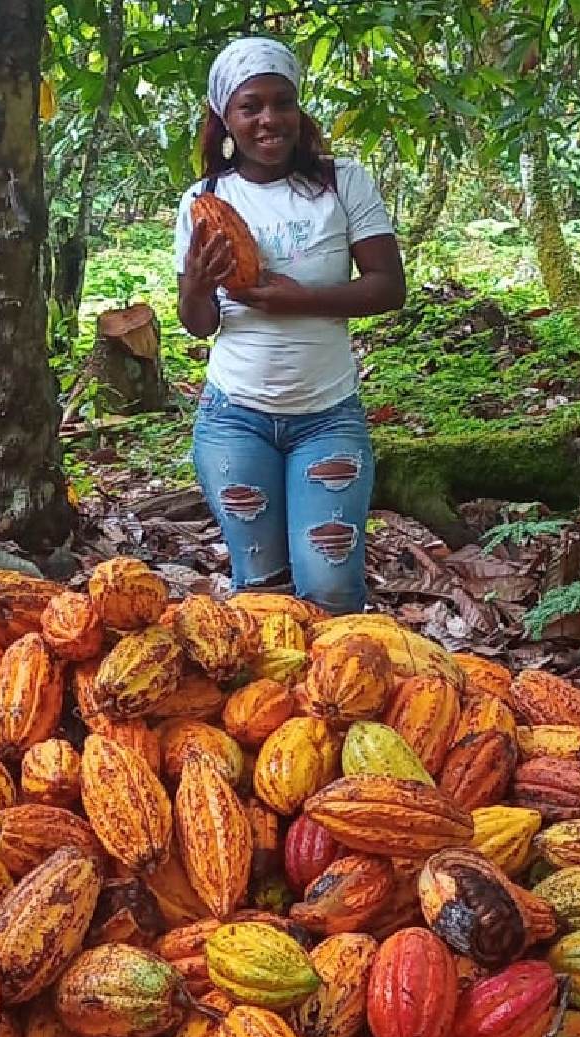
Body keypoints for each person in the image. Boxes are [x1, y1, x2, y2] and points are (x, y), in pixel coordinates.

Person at [174, 36, 407, 615]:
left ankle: (342, 693)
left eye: (282, 102)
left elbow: (388, 286)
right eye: (251, 106)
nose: (269, 119)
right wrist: (196, 287)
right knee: (260, 586)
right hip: (234, 419)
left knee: (329, 587)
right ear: (225, 117)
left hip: (327, 416)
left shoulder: (340, 181)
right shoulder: (205, 199)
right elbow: (199, 325)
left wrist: (297, 301)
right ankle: (276, 703)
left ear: (299, 109)